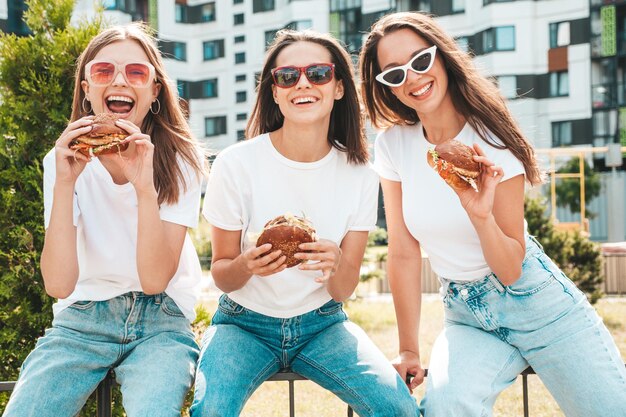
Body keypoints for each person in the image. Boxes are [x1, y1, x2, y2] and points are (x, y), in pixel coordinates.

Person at [359, 11, 626, 417]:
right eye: (393, 74)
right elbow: (402, 251)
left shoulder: (489, 137)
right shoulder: (393, 145)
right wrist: (409, 348)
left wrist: (480, 216)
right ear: (386, 89)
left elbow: (511, 270)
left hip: (538, 305)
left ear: (441, 57)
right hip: (466, 315)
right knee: (446, 408)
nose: (412, 78)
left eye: (420, 61)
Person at [190, 29, 419, 417]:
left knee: (398, 409)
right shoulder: (235, 163)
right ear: (275, 92)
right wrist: (247, 265)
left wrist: (335, 263)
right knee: (210, 412)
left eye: (318, 73)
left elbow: (343, 289)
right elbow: (222, 275)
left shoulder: (361, 173)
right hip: (242, 325)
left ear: (339, 88)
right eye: (286, 76)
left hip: (322, 325)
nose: (302, 84)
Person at [3, 23, 206, 417]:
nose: (119, 81)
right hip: (82, 320)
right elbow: (59, 284)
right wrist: (65, 184)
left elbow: (153, 280)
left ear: (155, 91)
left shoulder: (180, 161)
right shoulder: (61, 162)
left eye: (136, 72)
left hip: (161, 319)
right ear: (86, 88)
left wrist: (144, 187)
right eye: (103, 71)